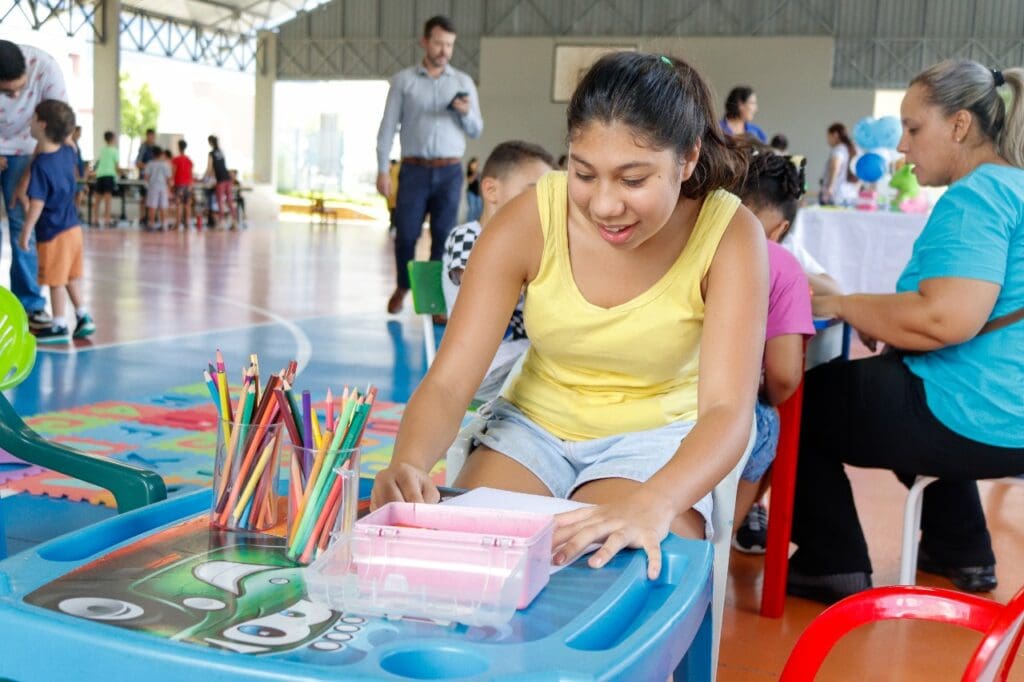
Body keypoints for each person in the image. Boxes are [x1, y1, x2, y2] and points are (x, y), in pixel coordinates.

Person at [372, 52, 768, 577]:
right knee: (471, 565)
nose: (604, 205)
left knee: (607, 570)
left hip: (657, 438)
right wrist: (409, 463)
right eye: (584, 173)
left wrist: (658, 499)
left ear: (689, 158)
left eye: (632, 180)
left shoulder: (730, 235)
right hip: (531, 427)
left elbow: (726, 411)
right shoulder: (529, 219)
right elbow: (449, 381)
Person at [788, 59, 1024, 605]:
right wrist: (877, 317)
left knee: (799, 397)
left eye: (913, 129)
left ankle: (833, 561)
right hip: (1009, 413)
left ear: (960, 126)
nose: (902, 148)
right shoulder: (1015, 187)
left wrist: (844, 304)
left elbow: (946, 318)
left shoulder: (977, 195)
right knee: (893, 384)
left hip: (975, 415)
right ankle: (960, 548)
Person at [731, 152, 816, 553]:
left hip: (656, 396)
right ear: (781, 227)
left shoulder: (683, 243)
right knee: (765, 424)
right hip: (728, 411)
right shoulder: (782, 265)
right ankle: (727, 530)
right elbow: (783, 376)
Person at [376, 15, 484, 315]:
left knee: (443, 235)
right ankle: (403, 285)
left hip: (450, 171)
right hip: (413, 171)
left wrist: (464, 113)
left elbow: (477, 128)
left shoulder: (462, 82)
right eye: (438, 43)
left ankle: (435, 299)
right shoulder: (404, 81)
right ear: (425, 42)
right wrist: (383, 169)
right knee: (406, 234)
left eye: (449, 45)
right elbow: (387, 127)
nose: (443, 50)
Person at [441, 140, 554, 400]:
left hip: (522, 358)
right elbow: (487, 291)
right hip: (483, 363)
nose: (546, 203)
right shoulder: (469, 236)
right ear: (491, 190)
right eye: (534, 191)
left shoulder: (529, 242)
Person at [0, 40, 67, 328]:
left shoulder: (46, 68)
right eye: (6, 91)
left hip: (27, 150)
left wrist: (28, 177)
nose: (15, 94)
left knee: (21, 223)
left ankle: (29, 305)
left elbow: (55, 132)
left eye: (20, 88)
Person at [17, 100, 94, 343]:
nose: (29, 122)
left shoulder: (41, 165)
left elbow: (37, 203)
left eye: (32, 118)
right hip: (73, 229)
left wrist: (26, 230)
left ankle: (59, 324)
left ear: (42, 124)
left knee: (55, 280)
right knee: (68, 276)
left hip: (53, 232)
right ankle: (83, 315)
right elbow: (67, 140)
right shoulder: (68, 152)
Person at [819, 122, 859, 206]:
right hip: (850, 193)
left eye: (828, 136)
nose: (828, 140)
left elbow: (835, 167)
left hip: (836, 194)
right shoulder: (851, 149)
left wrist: (830, 187)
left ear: (835, 135)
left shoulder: (838, 149)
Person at [205, 135, 236, 229]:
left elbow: (209, 168)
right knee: (229, 201)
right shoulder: (221, 152)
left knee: (220, 202)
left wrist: (204, 178)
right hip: (227, 178)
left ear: (210, 142)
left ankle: (221, 223)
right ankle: (235, 222)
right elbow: (221, 166)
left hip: (221, 181)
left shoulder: (211, 153)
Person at [92, 131, 119, 229]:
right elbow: (116, 166)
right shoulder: (114, 150)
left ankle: (95, 219)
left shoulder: (102, 150)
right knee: (108, 200)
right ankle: (107, 220)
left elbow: (98, 163)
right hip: (109, 176)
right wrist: (121, 172)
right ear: (112, 139)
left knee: (97, 200)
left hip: (100, 176)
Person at [143, 146, 171, 230]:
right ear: (161, 154)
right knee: (163, 206)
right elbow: (168, 178)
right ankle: (164, 224)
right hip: (163, 187)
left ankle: (151, 224)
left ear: (153, 154)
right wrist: (168, 188)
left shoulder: (150, 164)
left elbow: (146, 176)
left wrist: (148, 184)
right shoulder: (166, 164)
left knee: (152, 206)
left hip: (153, 186)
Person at [134, 128, 157, 227]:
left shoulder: (156, 148)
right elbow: (138, 163)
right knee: (144, 198)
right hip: (144, 177)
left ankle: (152, 217)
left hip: (155, 179)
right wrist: (148, 167)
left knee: (153, 198)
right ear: (147, 136)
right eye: (150, 136)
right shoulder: (143, 147)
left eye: (153, 136)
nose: (151, 138)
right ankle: (143, 217)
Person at [171, 139, 194, 230]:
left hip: (179, 184)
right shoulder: (189, 160)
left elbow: (173, 171)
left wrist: (172, 183)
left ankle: (178, 223)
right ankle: (187, 223)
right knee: (187, 205)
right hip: (188, 185)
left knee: (179, 204)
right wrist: (190, 184)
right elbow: (191, 173)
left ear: (178, 147)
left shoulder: (176, 159)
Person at [465, 156, 482, 223]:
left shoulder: (477, 172)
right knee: (472, 209)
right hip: (471, 193)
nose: (476, 165)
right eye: (475, 163)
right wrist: (475, 175)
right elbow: (469, 181)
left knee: (479, 208)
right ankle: (469, 223)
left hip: (478, 193)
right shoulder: (469, 172)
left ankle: (477, 222)